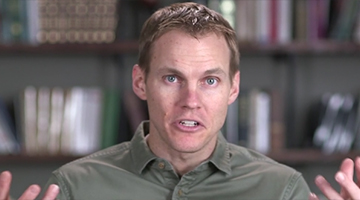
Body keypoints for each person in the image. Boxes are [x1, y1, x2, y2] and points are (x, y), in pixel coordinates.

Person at [0, 2, 359, 200]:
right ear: (141, 82)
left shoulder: (281, 190)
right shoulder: (73, 187)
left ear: (233, 89)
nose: (191, 100)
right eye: (172, 78)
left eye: (210, 81)